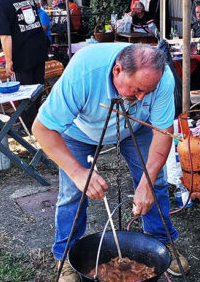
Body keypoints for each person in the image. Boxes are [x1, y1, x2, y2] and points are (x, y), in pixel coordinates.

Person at [32, 43, 189, 281]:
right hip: (80, 132)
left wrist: (146, 183)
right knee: (73, 192)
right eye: (136, 89)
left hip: (136, 127)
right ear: (117, 71)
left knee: (154, 183)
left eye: (148, 91)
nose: (142, 97)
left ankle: (162, 242)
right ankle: (64, 255)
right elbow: (41, 128)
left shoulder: (162, 77)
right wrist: (77, 172)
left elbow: (162, 133)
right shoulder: (84, 71)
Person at [0, 0, 47, 128]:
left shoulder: (0, 2)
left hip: (22, 51)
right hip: (38, 45)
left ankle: (31, 128)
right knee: (37, 88)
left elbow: (6, 36)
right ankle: (41, 122)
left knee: (25, 92)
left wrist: (8, 60)